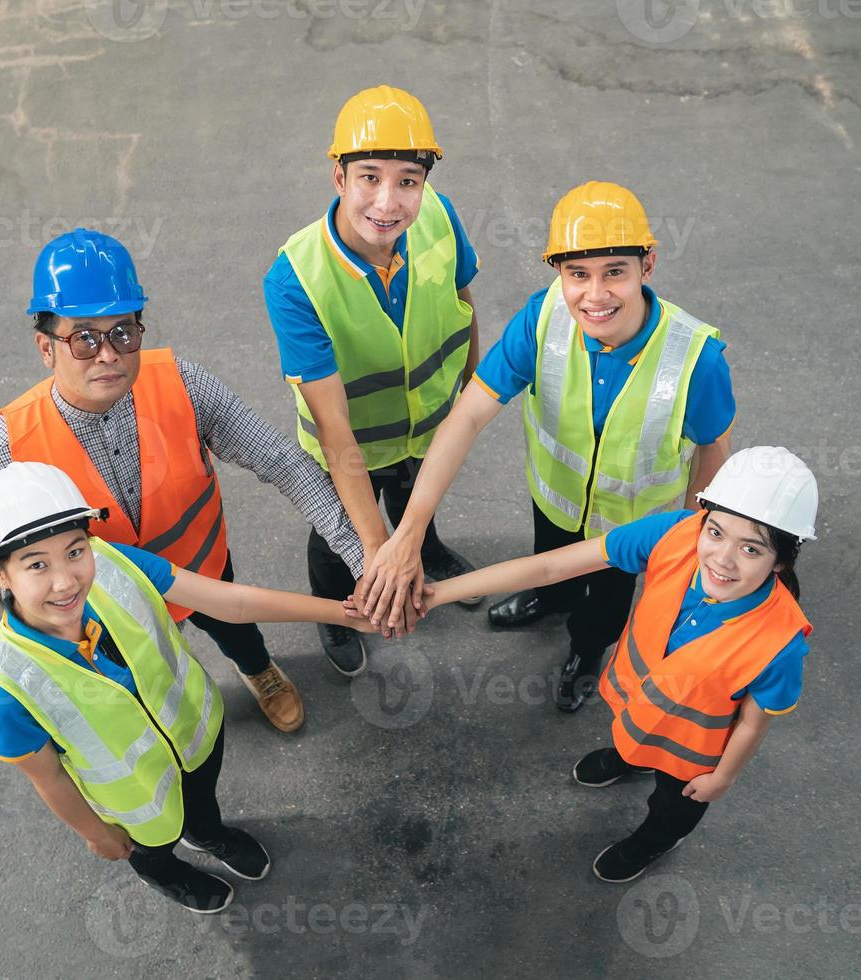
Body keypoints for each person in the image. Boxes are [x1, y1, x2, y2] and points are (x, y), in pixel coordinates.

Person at [356, 181, 736, 711]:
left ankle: (585, 651)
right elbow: (466, 418)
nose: (594, 296)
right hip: (555, 498)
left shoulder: (696, 359)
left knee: (604, 607)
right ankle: (549, 595)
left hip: (627, 528)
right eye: (577, 274)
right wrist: (409, 534)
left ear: (647, 266)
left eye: (615, 273)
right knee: (550, 558)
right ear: (559, 272)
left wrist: (698, 542)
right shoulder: (542, 319)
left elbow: (712, 450)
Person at [0, 228, 367, 733]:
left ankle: (258, 670)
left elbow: (284, 463)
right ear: (45, 348)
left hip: (206, 572)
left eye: (123, 331)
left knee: (238, 631)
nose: (108, 354)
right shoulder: (9, 449)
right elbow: (9, 571)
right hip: (98, 609)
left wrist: (365, 561)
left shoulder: (184, 384)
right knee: (143, 686)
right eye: (84, 337)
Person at [0, 463, 377, 914]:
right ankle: (163, 871)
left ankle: (207, 833)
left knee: (202, 804)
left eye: (74, 551)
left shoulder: (115, 563)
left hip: (196, 736)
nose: (66, 581)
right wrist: (96, 834)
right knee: (151, 848)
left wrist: (345, 613)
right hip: (134, 802)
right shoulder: (4, 687)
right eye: (37, 565)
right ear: (0, 574)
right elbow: (48, 778)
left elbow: (232, 603)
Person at [403, 446, 817, 883]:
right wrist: (437, 594)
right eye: (715, 532)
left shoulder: (780, 643)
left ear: (782, 561)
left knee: (672, 807)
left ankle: (654, 841)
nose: (722, 558)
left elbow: (753, 723)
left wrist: (723, 779)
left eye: (751, 549)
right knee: (630, 736)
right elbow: (549, 567)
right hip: (640, 711)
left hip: (693, 756)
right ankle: (630, 758)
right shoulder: (676, 534)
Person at [263, 84, 483, 676]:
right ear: (338, 177)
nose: (388, 203)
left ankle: (429, 549)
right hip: (351, 448)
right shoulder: (295, 279)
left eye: (407, 180)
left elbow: (463, 298)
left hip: (429, 424)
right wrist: (378, 556)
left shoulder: (438, 215)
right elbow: (336, 432)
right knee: (335, 542)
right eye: (369, 177)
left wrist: (470, 393)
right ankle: (337, 613)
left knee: (417, 504)